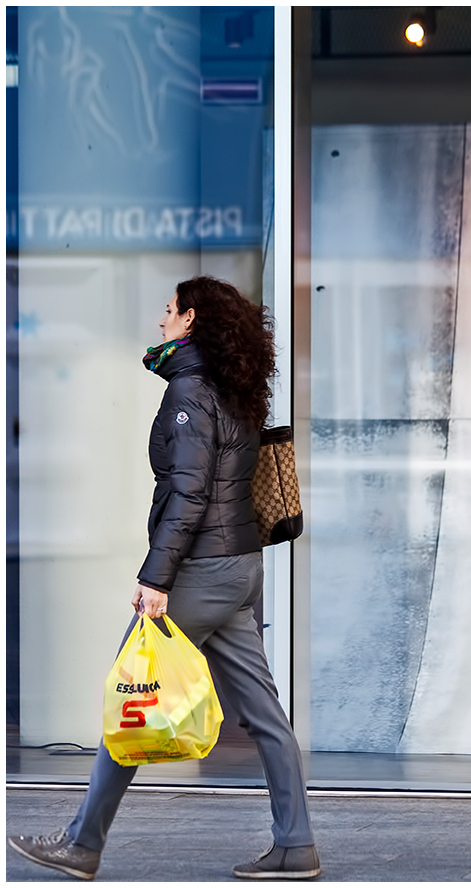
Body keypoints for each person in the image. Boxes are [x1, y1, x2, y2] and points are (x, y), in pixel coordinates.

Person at [8, 276, 321, 880]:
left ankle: (81, 843)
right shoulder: (234, 388)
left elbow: (188, 492)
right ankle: (296, 845)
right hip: (239, 568)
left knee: (130, 697)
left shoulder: (191, 392)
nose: (160, 320)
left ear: (191, 317)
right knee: (263, 714)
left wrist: (157, 577)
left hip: (201, 570)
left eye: (169, 310)